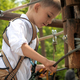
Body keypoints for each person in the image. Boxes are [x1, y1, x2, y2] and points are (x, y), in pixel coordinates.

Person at [0, 0, 61, 80]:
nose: (49, 22)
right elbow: (20, 47)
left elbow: (18, 61)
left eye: (52, 19)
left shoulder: (33, 34)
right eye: (49, 16)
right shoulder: (18, 24)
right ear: (37, 7)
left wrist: (34, 68)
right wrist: (45, 61)